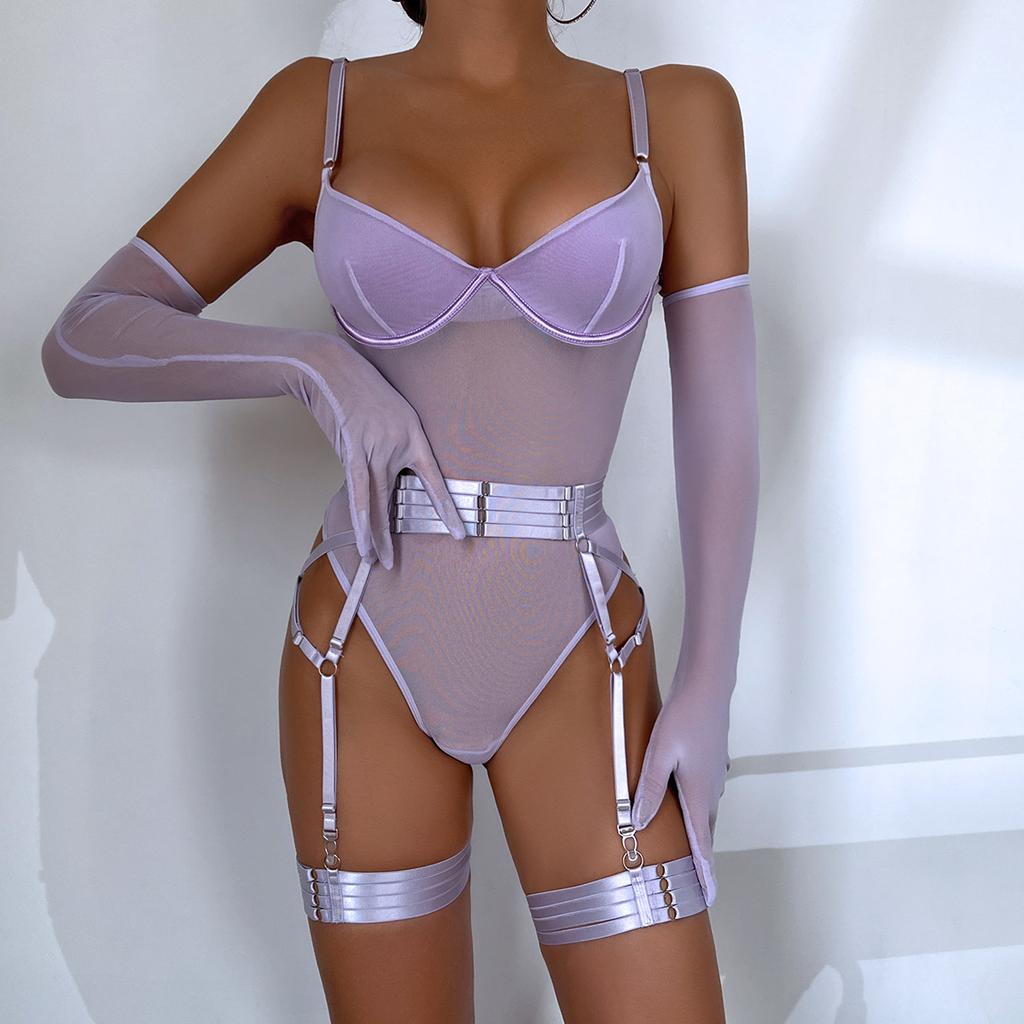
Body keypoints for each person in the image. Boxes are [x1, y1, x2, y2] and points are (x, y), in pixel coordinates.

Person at [40, 0, 759, 1020]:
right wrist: (313, 365)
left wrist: (709, 683)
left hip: (580, 642)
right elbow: (85, 335)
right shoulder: (317, 110)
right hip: (362, 640)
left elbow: (720, 413)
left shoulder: (678, 113)